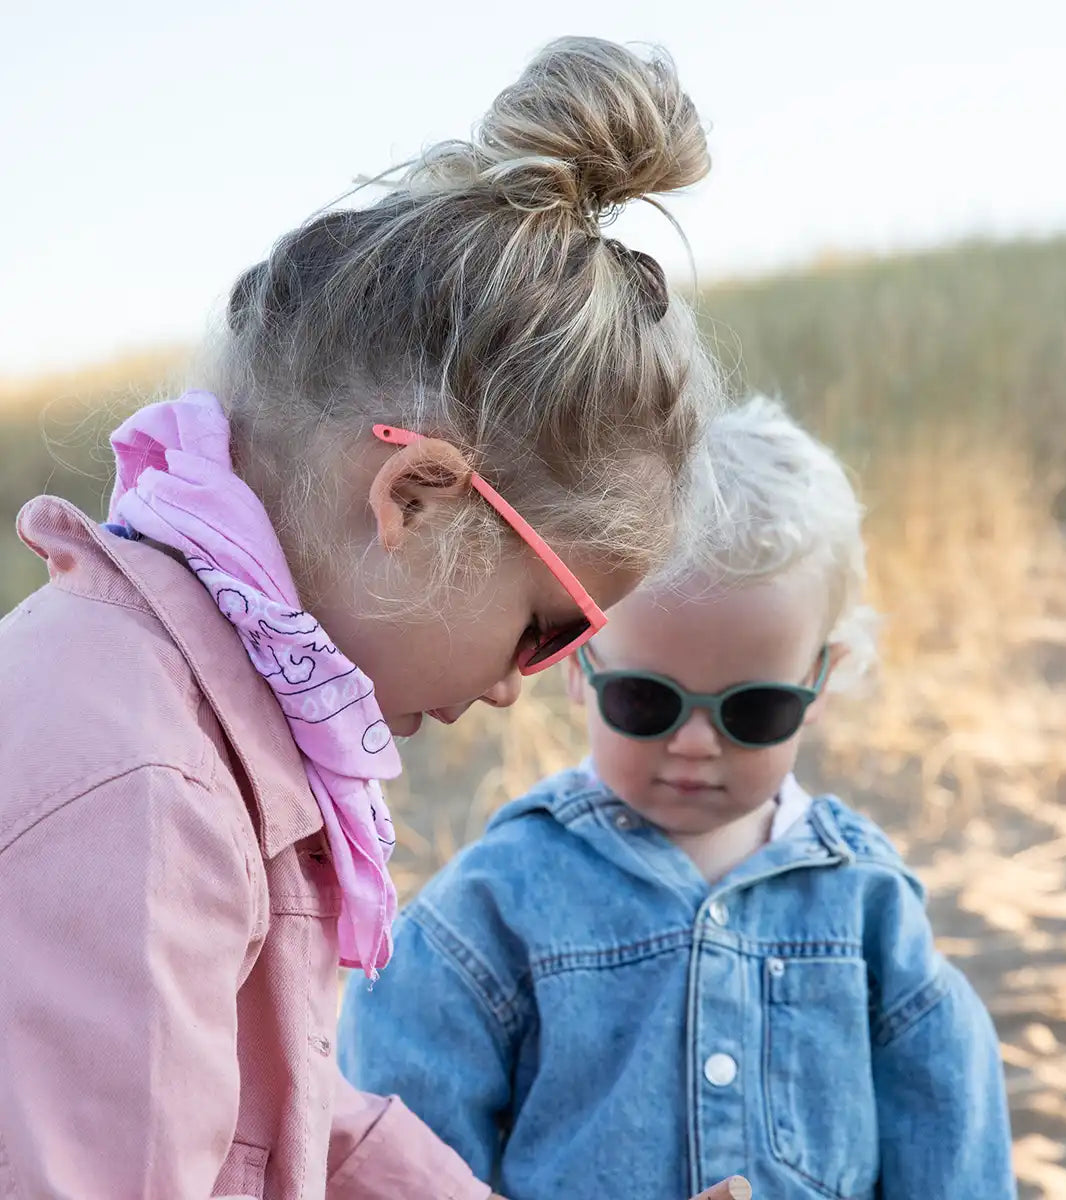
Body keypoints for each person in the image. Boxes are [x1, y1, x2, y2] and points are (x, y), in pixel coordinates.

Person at [0, 37, 722, 1200]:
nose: (518, 684)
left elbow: (275, 1113)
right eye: (547, 626)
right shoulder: (150, 793)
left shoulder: (192, 710)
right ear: (416, 499)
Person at [339, 398, 1017, 1199]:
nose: (696, 744)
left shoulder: (869, 909)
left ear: (820, 682)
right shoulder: (493, 910)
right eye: (647, 701)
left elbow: (951, 1143)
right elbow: (401, 1152)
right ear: (576, 663)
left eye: (753, 710)